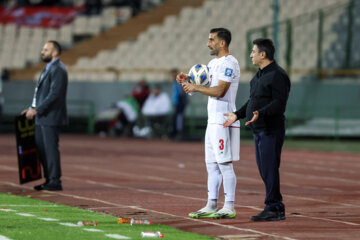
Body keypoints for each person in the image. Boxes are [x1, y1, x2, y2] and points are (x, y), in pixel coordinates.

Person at [223, 38, 291, 221]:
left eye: (253, 51)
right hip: (259, 129)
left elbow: (279, 103)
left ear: (263, 54)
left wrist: (260, 113)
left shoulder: (277, 75)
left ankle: (274, 207)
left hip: (271, 129)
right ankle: (274, 205)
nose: (251, 55)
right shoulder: (258, 76)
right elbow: (252, 102)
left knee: (269, 169)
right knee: (264, 169)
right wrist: (237, 114)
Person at [177, 28, 240, 219]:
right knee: (211, 165)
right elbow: (205, 86)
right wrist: (188, 81)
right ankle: (211, 204)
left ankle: (229, 206)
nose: (208, 43)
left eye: (211, 39)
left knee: (225, 164)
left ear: (222, 43)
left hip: (224, 119)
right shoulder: (213, 63)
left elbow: (220, 91)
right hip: (212, 121)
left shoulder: (230, 63)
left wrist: (197, 87)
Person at [21, 40, 68, 191]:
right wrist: (32, 107)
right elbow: (40, 94)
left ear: (55, 52)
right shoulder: (49, 68)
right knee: (42, 148)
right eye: (43, 50)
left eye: (46, 50)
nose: (42, 52)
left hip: (50, 116)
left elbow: (55, 94)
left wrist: (37, 110)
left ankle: (55, 180)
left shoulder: (58, 69)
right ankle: (49, 179)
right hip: (42, 116)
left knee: (50, 148)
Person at [170, 68, 187, 140]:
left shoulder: (179, 82)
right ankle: (176, 132)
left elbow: (182, 92)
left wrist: (183, 99)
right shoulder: (175, 82)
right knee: (176, 117)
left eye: (173, 74)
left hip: (180, 102)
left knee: (178, 117)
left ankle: (179, 132)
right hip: (177, 102)